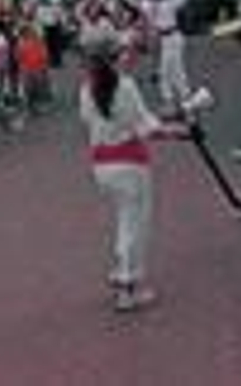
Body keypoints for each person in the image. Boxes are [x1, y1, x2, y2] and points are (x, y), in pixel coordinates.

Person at [78, 32, 191, 313]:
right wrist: (178, 132)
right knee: (135, 224)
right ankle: (129, 286)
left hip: (101, 165)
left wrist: (161, 121)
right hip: (129, 163)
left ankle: (121, 273)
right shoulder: (124, 86)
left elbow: (93, 121)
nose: (129, 56)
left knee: (123, 220)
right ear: (116, 57)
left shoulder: (86, 89)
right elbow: (145, 128)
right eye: (124, 52)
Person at [145, 0, 191, 111]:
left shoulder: (168, 2)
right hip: (163, 39)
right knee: (169, 68)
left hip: (174, 36)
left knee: (171, 68)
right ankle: (180, 94)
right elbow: (146, 15)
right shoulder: (150, 7)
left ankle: (177, 96)